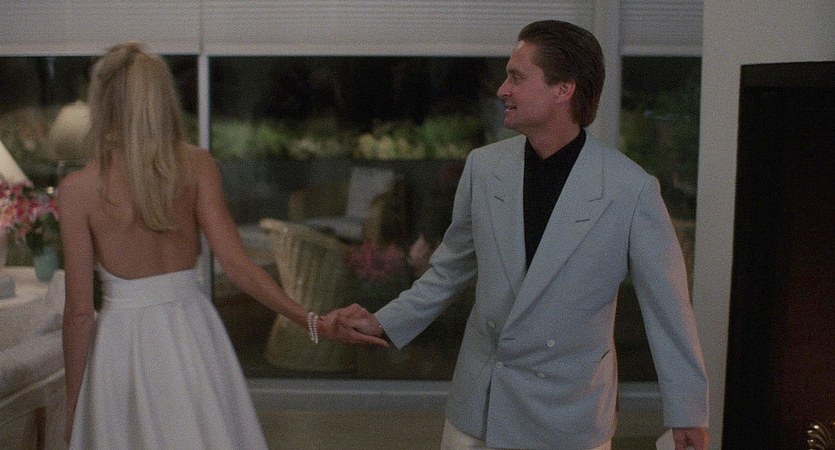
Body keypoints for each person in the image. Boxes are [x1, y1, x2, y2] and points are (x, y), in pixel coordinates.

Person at [331, 20, 709, 450]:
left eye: (516, 77)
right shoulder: (483, 167)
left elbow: (668, 309)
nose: (502, 90)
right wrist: (383, 323)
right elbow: (447, 273)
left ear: (563, 89)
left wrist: (687, 413)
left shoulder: (630, 190)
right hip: (479, 411)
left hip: (568, 417)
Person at [59, 42, 386, 448]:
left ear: (103, 103)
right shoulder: (196, 165)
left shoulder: (78, 190)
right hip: (192, 335)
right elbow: (238, 266)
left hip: (123, 349)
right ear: (162, 98)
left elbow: (78, 314)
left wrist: (72, 408)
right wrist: (311, 320)